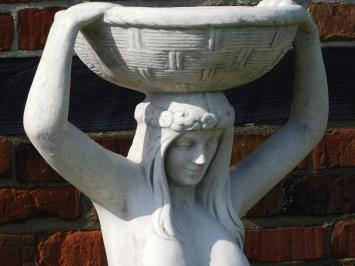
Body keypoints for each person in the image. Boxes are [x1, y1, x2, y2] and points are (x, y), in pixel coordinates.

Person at [23, 1, 328, 265]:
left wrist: (307, 38)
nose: (201, 158)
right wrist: (64, 29)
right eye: (187, 144)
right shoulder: (126, 191)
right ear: (159, 142)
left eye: (212, 144)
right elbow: (45, 130)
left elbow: (305, 128)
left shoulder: (222, 199)